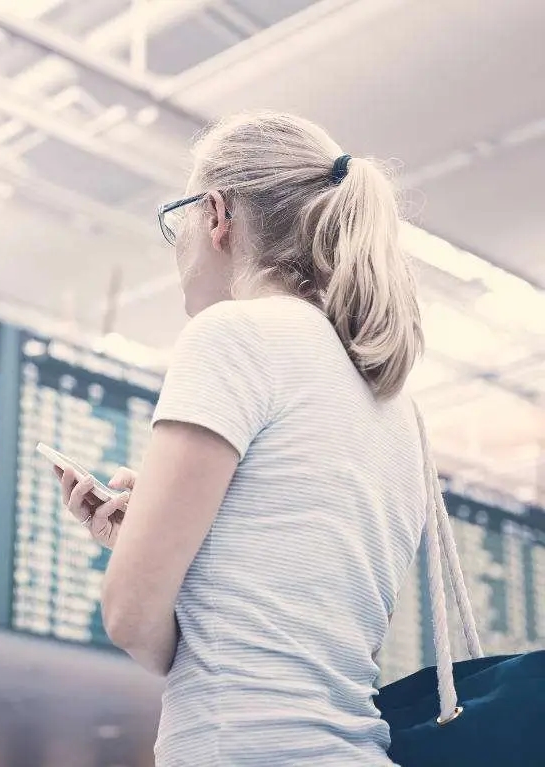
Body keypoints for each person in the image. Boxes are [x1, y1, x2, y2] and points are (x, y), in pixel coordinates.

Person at [57, 111, 426, 765]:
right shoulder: (392, 398)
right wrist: (165, 545)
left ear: (216, 214)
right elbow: (289, 593)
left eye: (179, 219)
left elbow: (131, 615)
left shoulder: (233, 334)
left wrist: (141, 571)